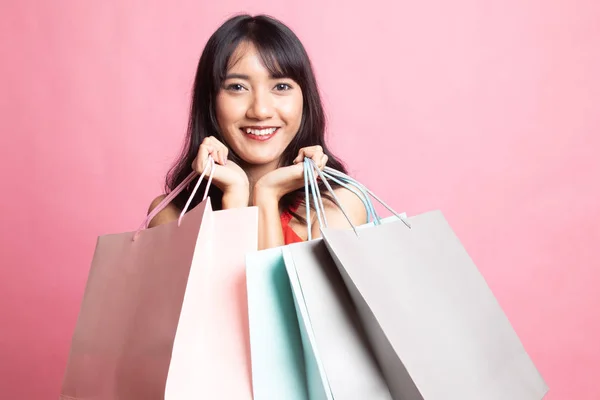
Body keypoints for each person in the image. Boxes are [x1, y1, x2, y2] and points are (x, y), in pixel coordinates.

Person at [147, 14, 366, 249]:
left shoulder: (338, 206)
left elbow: (273, 288)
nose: (260, 111)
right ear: (210, 101)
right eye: (238, 87)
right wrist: (235, 196)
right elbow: (224, 287)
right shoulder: (172, 216)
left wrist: (268, 194)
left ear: (305, 100)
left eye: (281, 86)